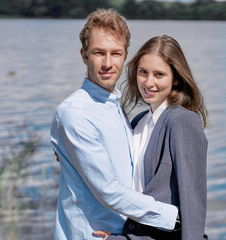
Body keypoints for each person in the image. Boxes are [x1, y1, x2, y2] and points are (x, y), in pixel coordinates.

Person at [50, 9, 179, 240]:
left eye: (116, 53)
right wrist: (173, 219)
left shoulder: (114, 105)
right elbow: (108, 190)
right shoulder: (75, 114)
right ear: (84, 55)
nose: (108, 63)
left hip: (123, 235)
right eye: (99, 53)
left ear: (125, 55)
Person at [97, 35, 208, 239]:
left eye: (159, 74)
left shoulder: (182, 121)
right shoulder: (138, 121)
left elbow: (193, 202)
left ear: (175, 78)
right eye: (143, 72)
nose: (149, 82)